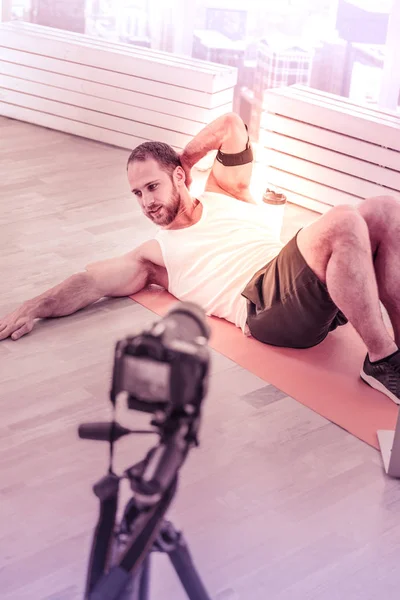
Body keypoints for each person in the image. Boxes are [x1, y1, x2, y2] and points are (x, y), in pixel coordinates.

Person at [1, 113, 400, 404]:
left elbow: (231, 125)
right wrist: (33, 306)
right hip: (263, 307)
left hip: (302, 288)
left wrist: (186, 160)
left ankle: (397, 345)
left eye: (152, 186)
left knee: (384, 209)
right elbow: (90, 282)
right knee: (344, 219)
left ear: (178, 176)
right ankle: (382, 362)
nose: (146, 202)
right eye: (137, 194)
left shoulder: (225, 190)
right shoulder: (155, 254)